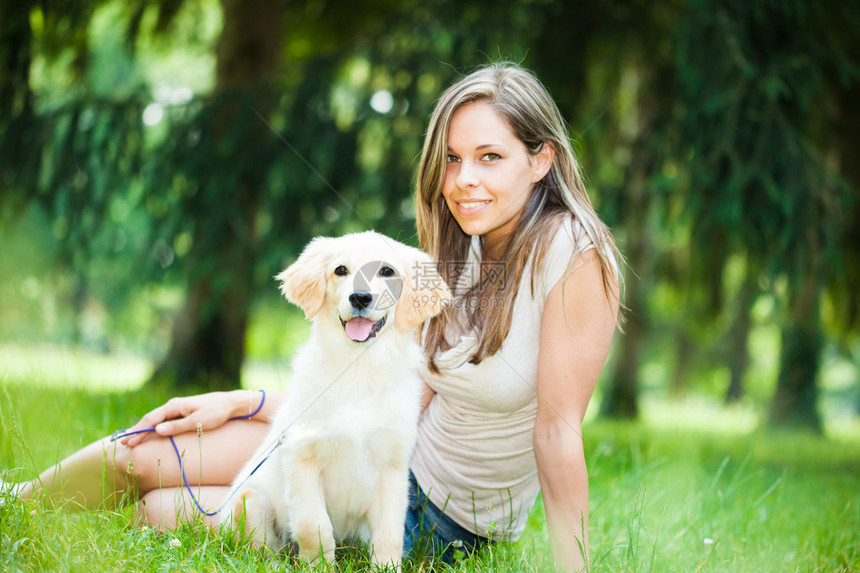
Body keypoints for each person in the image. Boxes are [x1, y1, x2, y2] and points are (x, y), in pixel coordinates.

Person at [1, 63, 621, 572]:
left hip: (433, 514)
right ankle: (13, 503)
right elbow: (395, 388)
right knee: (148, 452)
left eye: (490, 157)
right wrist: (242, 401)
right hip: (367, 444)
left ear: (541, 159)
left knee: (162, 509)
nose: (462, 180)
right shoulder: (463, 248)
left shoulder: (572, 253)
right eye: (453, 158)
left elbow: (558, 433)